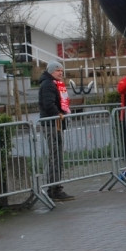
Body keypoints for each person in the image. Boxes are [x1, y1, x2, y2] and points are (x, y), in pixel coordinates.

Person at [38, 60, 74, 201]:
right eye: (58, 70)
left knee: (57, 156)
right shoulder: (48, 84)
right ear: (51, 71)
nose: (61, 73)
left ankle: (56, 187)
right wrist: (58, 115)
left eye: (61, 70)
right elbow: (48, 104)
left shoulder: (54, 84)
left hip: (56, 124)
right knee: (55, 156)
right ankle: (54, 189)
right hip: (52, 125)